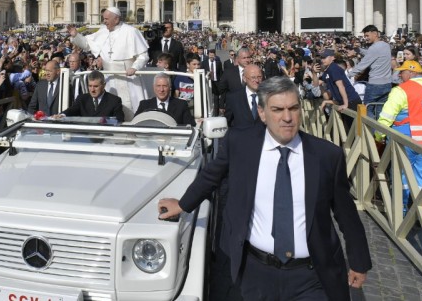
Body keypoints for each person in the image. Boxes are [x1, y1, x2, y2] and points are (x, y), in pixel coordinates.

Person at [158, 76, 371, 300]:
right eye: (277, 110)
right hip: (255, 272)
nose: (287, 117)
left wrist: (359, 261)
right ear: (262, 113)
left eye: (293, 108)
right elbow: (211, 176)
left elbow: (346, 213)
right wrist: (183, 205)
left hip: (311, 276)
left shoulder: (327, 155)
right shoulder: (241, 143)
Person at [377, 60, 422, 216]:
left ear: (411, 73)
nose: (400, 75)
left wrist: (379, 135)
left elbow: (387, 116)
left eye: (402, 72)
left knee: (401, 173)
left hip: (406, 137)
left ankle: (401, 209)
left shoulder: (402, 90)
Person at [67, 7, 149, 117]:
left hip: (128, 78)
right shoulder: (103, 31)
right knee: (108, 110)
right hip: (109, 78)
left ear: (116, 19)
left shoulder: (131, 31)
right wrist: (76, 35)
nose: (104, 21)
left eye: (106, 19)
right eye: (103, 18)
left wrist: (135, 67)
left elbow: (143, 56)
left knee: (133, 110)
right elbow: (86, 44)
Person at [347, 25, 392, 120]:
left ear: (375, 34)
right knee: (381, 111)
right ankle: (380, 129)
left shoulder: (374, 48)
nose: (365, 38)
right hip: (387, 84)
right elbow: (372, 54)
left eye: (367, 35)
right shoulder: (386, 45)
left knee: (367, 110)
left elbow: (363, 64)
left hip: (375, 84)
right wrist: (358, 50)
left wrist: (348, 74)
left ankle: (369, 129)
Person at [58, 70, 125, 122]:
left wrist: (105, 121)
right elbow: (72, 110)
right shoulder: (82, 99)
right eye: (90, 86)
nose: (92, 90)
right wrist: (62, 115)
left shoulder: (114, 101)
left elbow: (119, 119)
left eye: (96, 86)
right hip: (86, 134)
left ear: (104, 85)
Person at [318, 50, 362, 129]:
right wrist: (314, 72)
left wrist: (345, 104)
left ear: (332, 58)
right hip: (345, 101)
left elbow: (341, 86)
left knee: (354, 129)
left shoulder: (334, 68)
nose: (322, 60)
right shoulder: (327, 71)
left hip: (351, 101)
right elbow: (316, 84)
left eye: (325, 57)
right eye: (321, 58)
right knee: (348, 129)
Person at [225, 64, 263, 128]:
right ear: (244, 78)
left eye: (259, 77)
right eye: (253, 77)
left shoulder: (268, 97)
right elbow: (228, 122)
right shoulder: (233, 98)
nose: (257, 80)